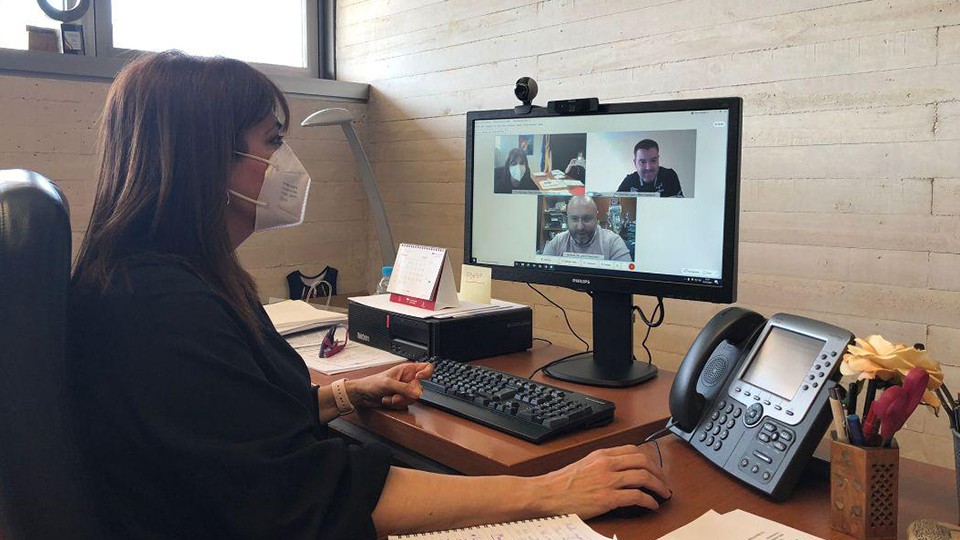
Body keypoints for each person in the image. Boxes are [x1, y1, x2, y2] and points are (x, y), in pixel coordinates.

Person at [68, 51, 670, 539]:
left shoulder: (170, 276)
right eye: (273, 141)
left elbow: (229, 428)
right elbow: (307, 497)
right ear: (208, 158)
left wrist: (344, 395)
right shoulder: (159, 307)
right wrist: (550, 491)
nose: (287, 162)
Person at [542, 196, 632, 261]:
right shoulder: (557, 242)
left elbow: (627, 282)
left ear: (596, 218)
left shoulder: (613, 242)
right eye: (574, 219)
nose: (580, 226)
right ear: (567, 219)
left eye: (587, 219)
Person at [616, 139, 684, 197]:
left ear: (658, 160)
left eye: (653, 161)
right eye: (642, 162)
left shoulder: (669, 176)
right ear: (635, 163)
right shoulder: (629, 181)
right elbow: (614, 205)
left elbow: (680, 206)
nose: (648, 168)